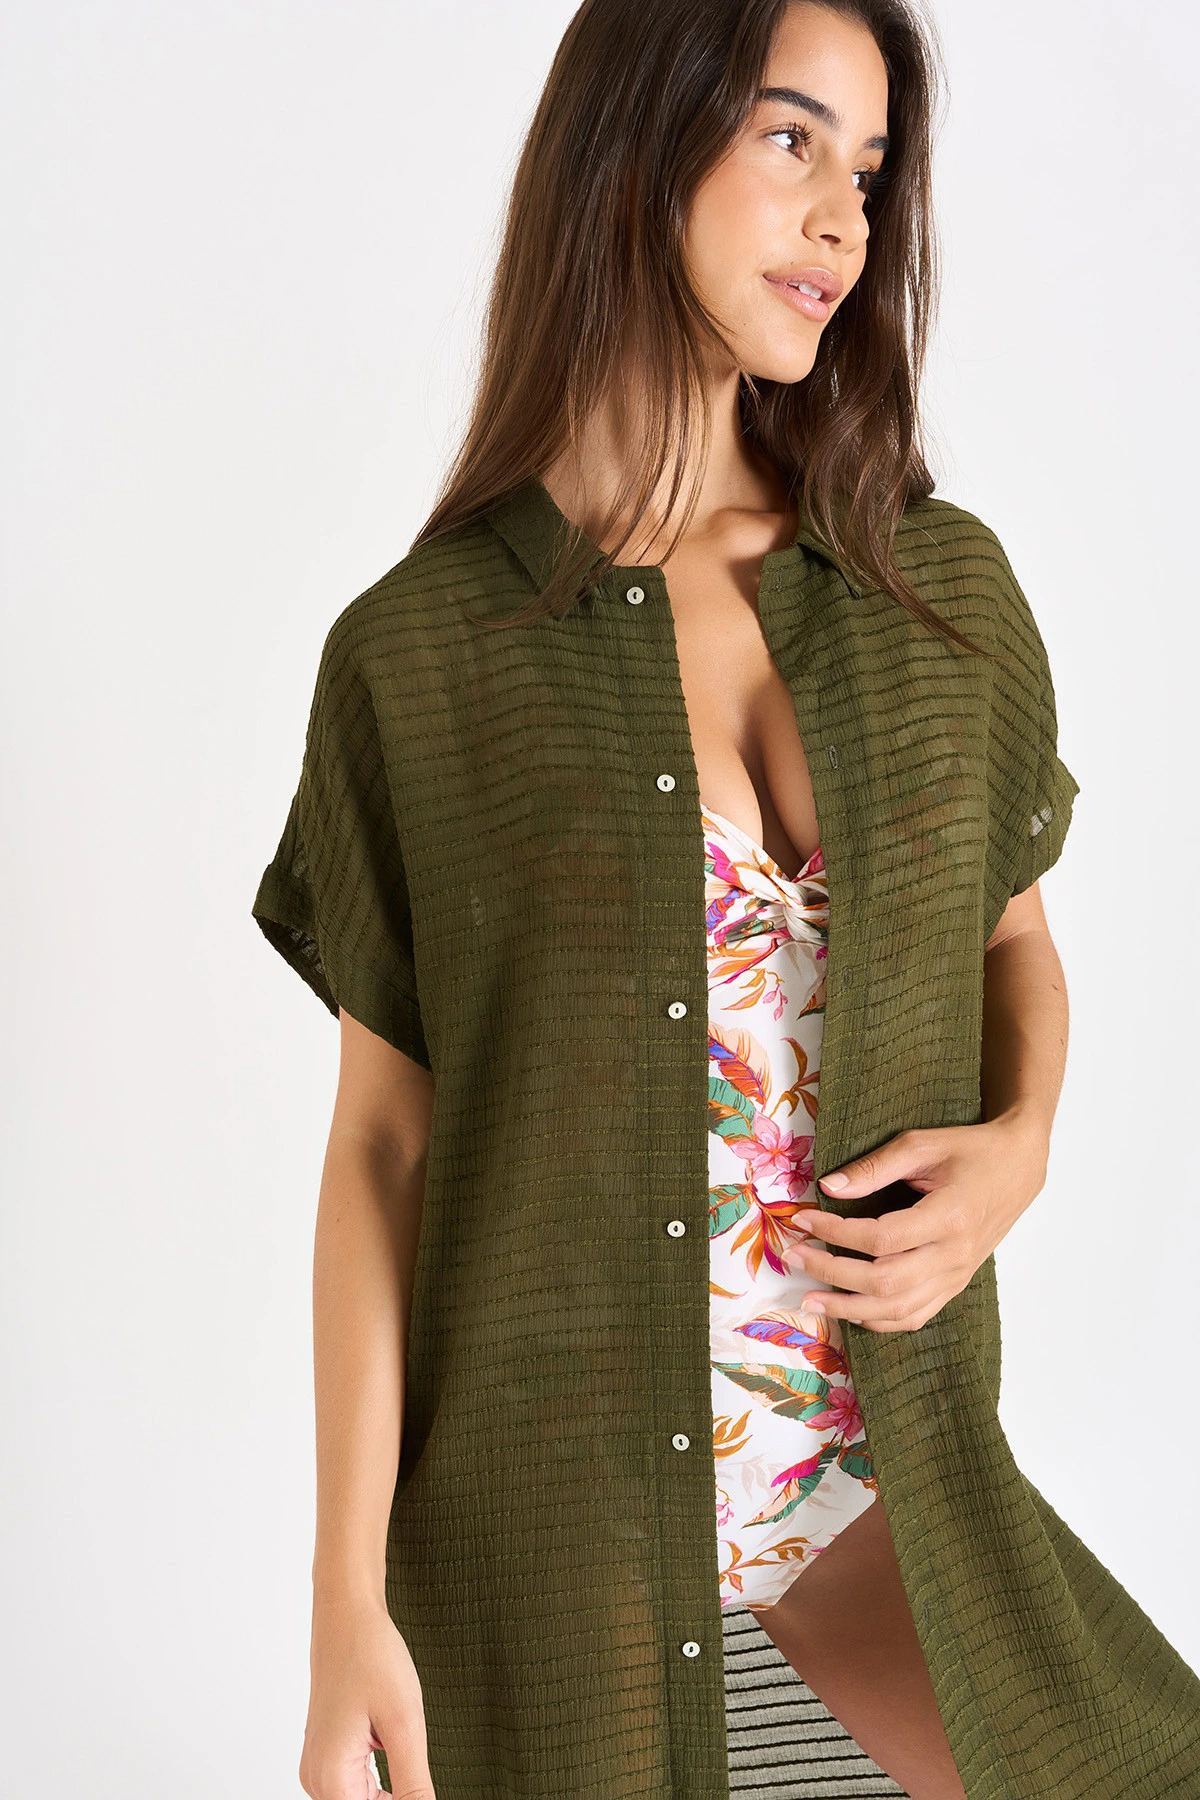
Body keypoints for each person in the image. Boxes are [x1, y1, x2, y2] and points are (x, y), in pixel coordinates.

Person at [252, 2, 1200, 1797]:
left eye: (871, 171)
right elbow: (383, 1142)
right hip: (567, 1574)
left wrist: (1022, 1151)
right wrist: (341, 1606)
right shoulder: (425, 655)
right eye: (789, 140)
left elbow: (1017, 944)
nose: (844, 219)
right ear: (638, 145)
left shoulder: (933, 593)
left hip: (886, 1514)